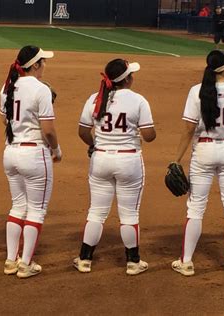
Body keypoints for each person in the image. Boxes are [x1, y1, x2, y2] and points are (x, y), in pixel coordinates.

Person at [171, 50, 224, 277]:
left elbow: (189, 128)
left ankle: (187, 262)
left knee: (196, 207)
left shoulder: (197, 91)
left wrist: (176, 158)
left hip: (203, 151)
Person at [72, 59, 156, 275]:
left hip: (100, 160)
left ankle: (84, 259)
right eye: (131, 74)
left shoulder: (95, 99)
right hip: (128, 162)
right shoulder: (138, 101)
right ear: (126, 79)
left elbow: (82, 132)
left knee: (96, 212)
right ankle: (133, 262)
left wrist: (95, 144)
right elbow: (149, 136)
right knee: (129, 214)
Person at [0, 45, 61, 279]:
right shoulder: (40, 89)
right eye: (43, 61)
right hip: (34, 154)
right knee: (36, 210)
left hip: (11, 152)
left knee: (17, 206)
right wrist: (56, 150)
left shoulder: (6, 88)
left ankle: (10, 260)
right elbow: (49, 130)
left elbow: (5, 121)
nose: (45, 65)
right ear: (34, 65)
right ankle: (25, 264)